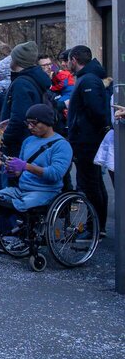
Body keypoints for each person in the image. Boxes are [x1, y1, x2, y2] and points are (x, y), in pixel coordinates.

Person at [65, 45, 111, 235]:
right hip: (87, 139)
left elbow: (97, 111)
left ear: (74, 60)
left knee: (91, 184)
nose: (67, 64)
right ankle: (97, 227)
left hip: (87, 141)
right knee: (94, 183)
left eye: (68, 60)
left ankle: (95, 228)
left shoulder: (88, 80)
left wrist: (85, 132)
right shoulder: (87, 78)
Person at [0, 103, 73, 211]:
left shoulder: (62, 145)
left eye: (34, 123)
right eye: (28, 123)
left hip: (46, 191)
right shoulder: (28, 141)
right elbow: (21, 171)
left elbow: (56, 174)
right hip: (22, 189)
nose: (30, 127)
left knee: (21, 205)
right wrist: (13, 170)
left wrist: (26, 166)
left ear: (47, 122)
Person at [0, 41, 50, 160]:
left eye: (12, 57)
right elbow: (10, 106)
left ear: (18, 60)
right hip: (25, 143)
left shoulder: (21, 83)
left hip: (18, 147)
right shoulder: (29, 79)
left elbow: (18, 118)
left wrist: (4, 139)